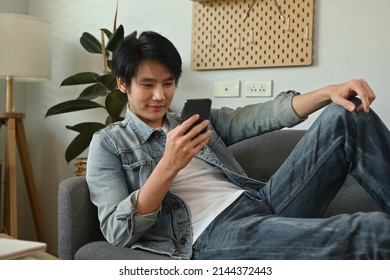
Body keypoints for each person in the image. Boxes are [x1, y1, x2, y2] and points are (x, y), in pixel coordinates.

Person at [86, 31, 390, 260]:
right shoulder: (109, 142)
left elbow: (262, 116)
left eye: (167, 83)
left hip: (261, 203)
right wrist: (169, 164)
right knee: (373, 231)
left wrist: (329, 91)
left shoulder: (193, 120)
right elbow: (117, 231)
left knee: (345, 113)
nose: (160, 96)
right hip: (211, 234)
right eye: (148, 85)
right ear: (123, 84)